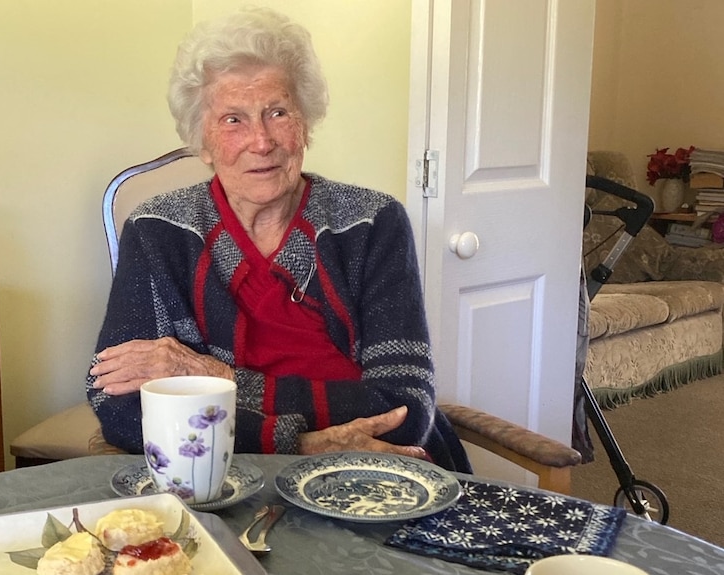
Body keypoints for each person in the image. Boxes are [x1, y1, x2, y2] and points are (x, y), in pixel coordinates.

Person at [86, 6, 471, 473]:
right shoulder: (156, 231)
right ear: (201, 142)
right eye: (233, 120)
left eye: (278, 112)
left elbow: (404, 409)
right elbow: (119, 407)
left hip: (381, 470)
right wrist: (299, 443)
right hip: (224, 480)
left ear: (305, 124)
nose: (262, 140)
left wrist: (220, 380)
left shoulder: (372, 222)